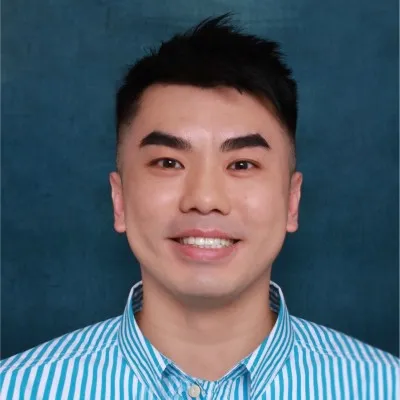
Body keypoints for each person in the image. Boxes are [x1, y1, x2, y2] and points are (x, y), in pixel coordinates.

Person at [0, 14, 398, 400]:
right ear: (119, 200)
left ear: (292, 201)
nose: (205, 199)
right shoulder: (17, 388)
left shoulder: (384, 387)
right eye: (168, 163)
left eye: (242, 165)